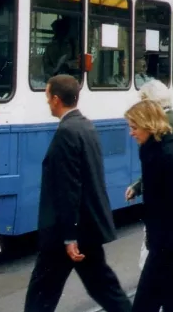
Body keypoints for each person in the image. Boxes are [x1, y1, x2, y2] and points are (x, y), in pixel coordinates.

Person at [24, 75, 132, 312]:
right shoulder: (86, 126)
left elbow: (68, 187)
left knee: (41, 293)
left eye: (47, 97)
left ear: (55, 99)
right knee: (104, 288)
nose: (47, 103)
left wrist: (69, 236)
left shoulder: (66, 131)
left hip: (67, 231)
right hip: (87, 227)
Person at [125, 99, 173, 312]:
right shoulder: (152, 151)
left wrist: (168, 247)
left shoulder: (168, 157)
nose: (131, 133)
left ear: (148, 125)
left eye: (134, 127)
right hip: (164, 245)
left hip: (172, 249)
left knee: (146, 304)